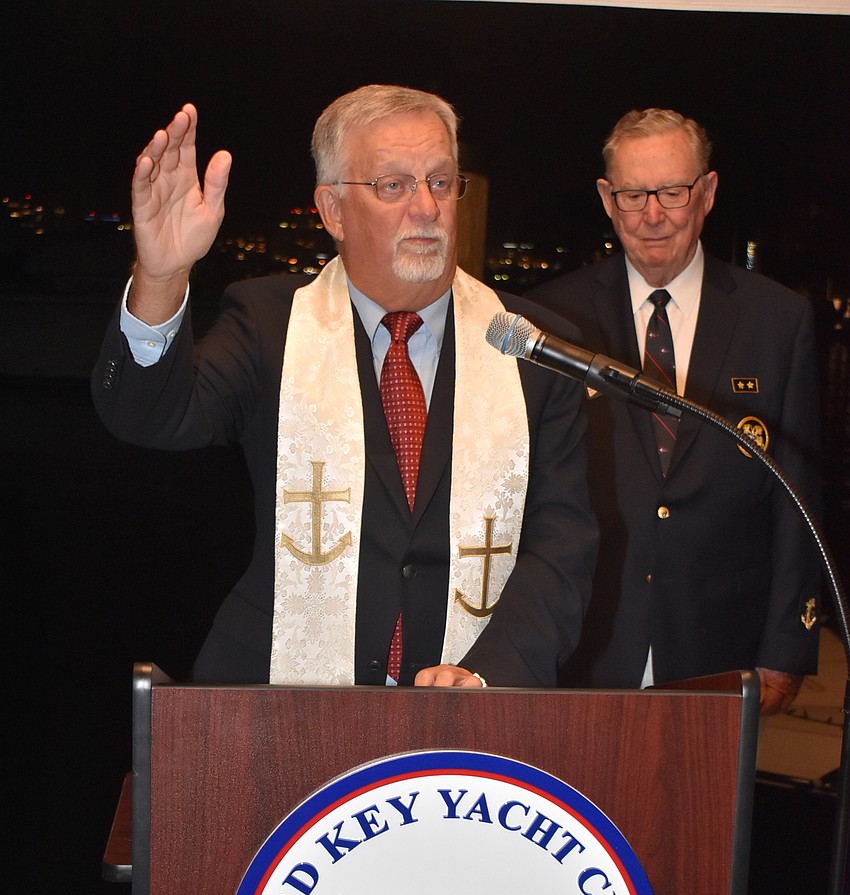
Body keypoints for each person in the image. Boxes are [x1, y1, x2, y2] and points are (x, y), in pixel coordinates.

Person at [91, 86, 597, 689]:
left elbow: (562, 546)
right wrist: (162, 275)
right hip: (278, 702)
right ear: (332, 210)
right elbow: (150, 418)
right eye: (393, 185)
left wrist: (490, 675)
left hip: (470, 719)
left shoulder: (532, 348)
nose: (426, 208)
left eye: (440, 182)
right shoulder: (269, 323)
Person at [531, 107, 822, 716]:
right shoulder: (553, 320)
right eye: (635, 195)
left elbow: (798, 501)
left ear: (707, 193)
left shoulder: (778, 321)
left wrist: (787, 647)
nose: (654, 215)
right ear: (608, 201)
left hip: (721, 650)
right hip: (582, 645)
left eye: (672, 191)